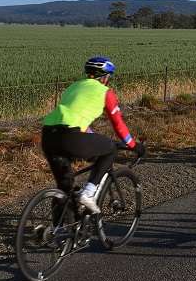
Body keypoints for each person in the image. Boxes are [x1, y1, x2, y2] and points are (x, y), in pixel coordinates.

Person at [41, 57, 146, 214]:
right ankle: (88, 193)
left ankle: (58, 231)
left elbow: (75, 118)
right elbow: (118, 124)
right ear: (104, 77)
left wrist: (92, 140)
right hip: (70, 136)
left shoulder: (73, 87)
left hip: (48, 135)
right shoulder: (105, 92)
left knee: (65, 188)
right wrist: (134, 145)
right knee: (110, 148)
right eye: (109, 77)